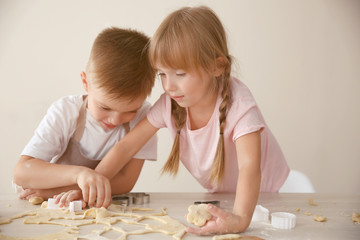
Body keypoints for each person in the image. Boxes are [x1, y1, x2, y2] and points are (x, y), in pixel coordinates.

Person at [79, 6, 289, 234]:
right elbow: (125, 147)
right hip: (225, 197)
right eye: (162, 74)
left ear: (217, 66)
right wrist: (90, 185)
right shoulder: (170, 104)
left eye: (179, 74)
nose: (169, 86)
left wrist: (239, 220)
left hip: (267, 198)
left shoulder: (239, 105)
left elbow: (250, 168)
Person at [13, 27, 157, 209]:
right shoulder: (66, 112)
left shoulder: (145, 117)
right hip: (58, 210)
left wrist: (52, 192)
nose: (115, 120)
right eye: (105, 107)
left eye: (130, 111)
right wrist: (80, 175)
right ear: (85, 82)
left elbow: (125, 181)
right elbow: (22, 172)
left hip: (97, 209)